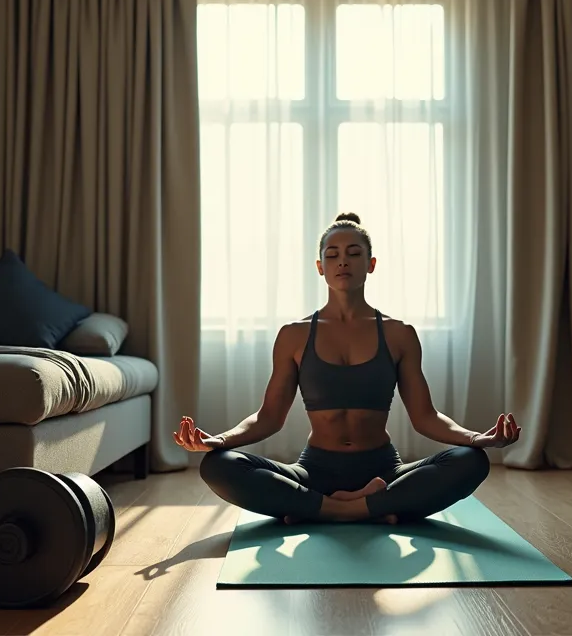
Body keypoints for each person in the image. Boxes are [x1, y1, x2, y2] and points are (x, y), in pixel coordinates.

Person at [175, 212, 521, 525]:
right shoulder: (293, 335)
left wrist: (479, 438)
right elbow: (268, 418)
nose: (343, 262)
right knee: (219, 465)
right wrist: (218, 440)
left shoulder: (399, 334)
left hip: (384, 471)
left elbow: (426, 417)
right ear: (319, 266)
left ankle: (323, 509)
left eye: (354, 254)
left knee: (472, 460)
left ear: (370, 264)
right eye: (333, 255)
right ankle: (367, 507)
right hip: (314, 471)